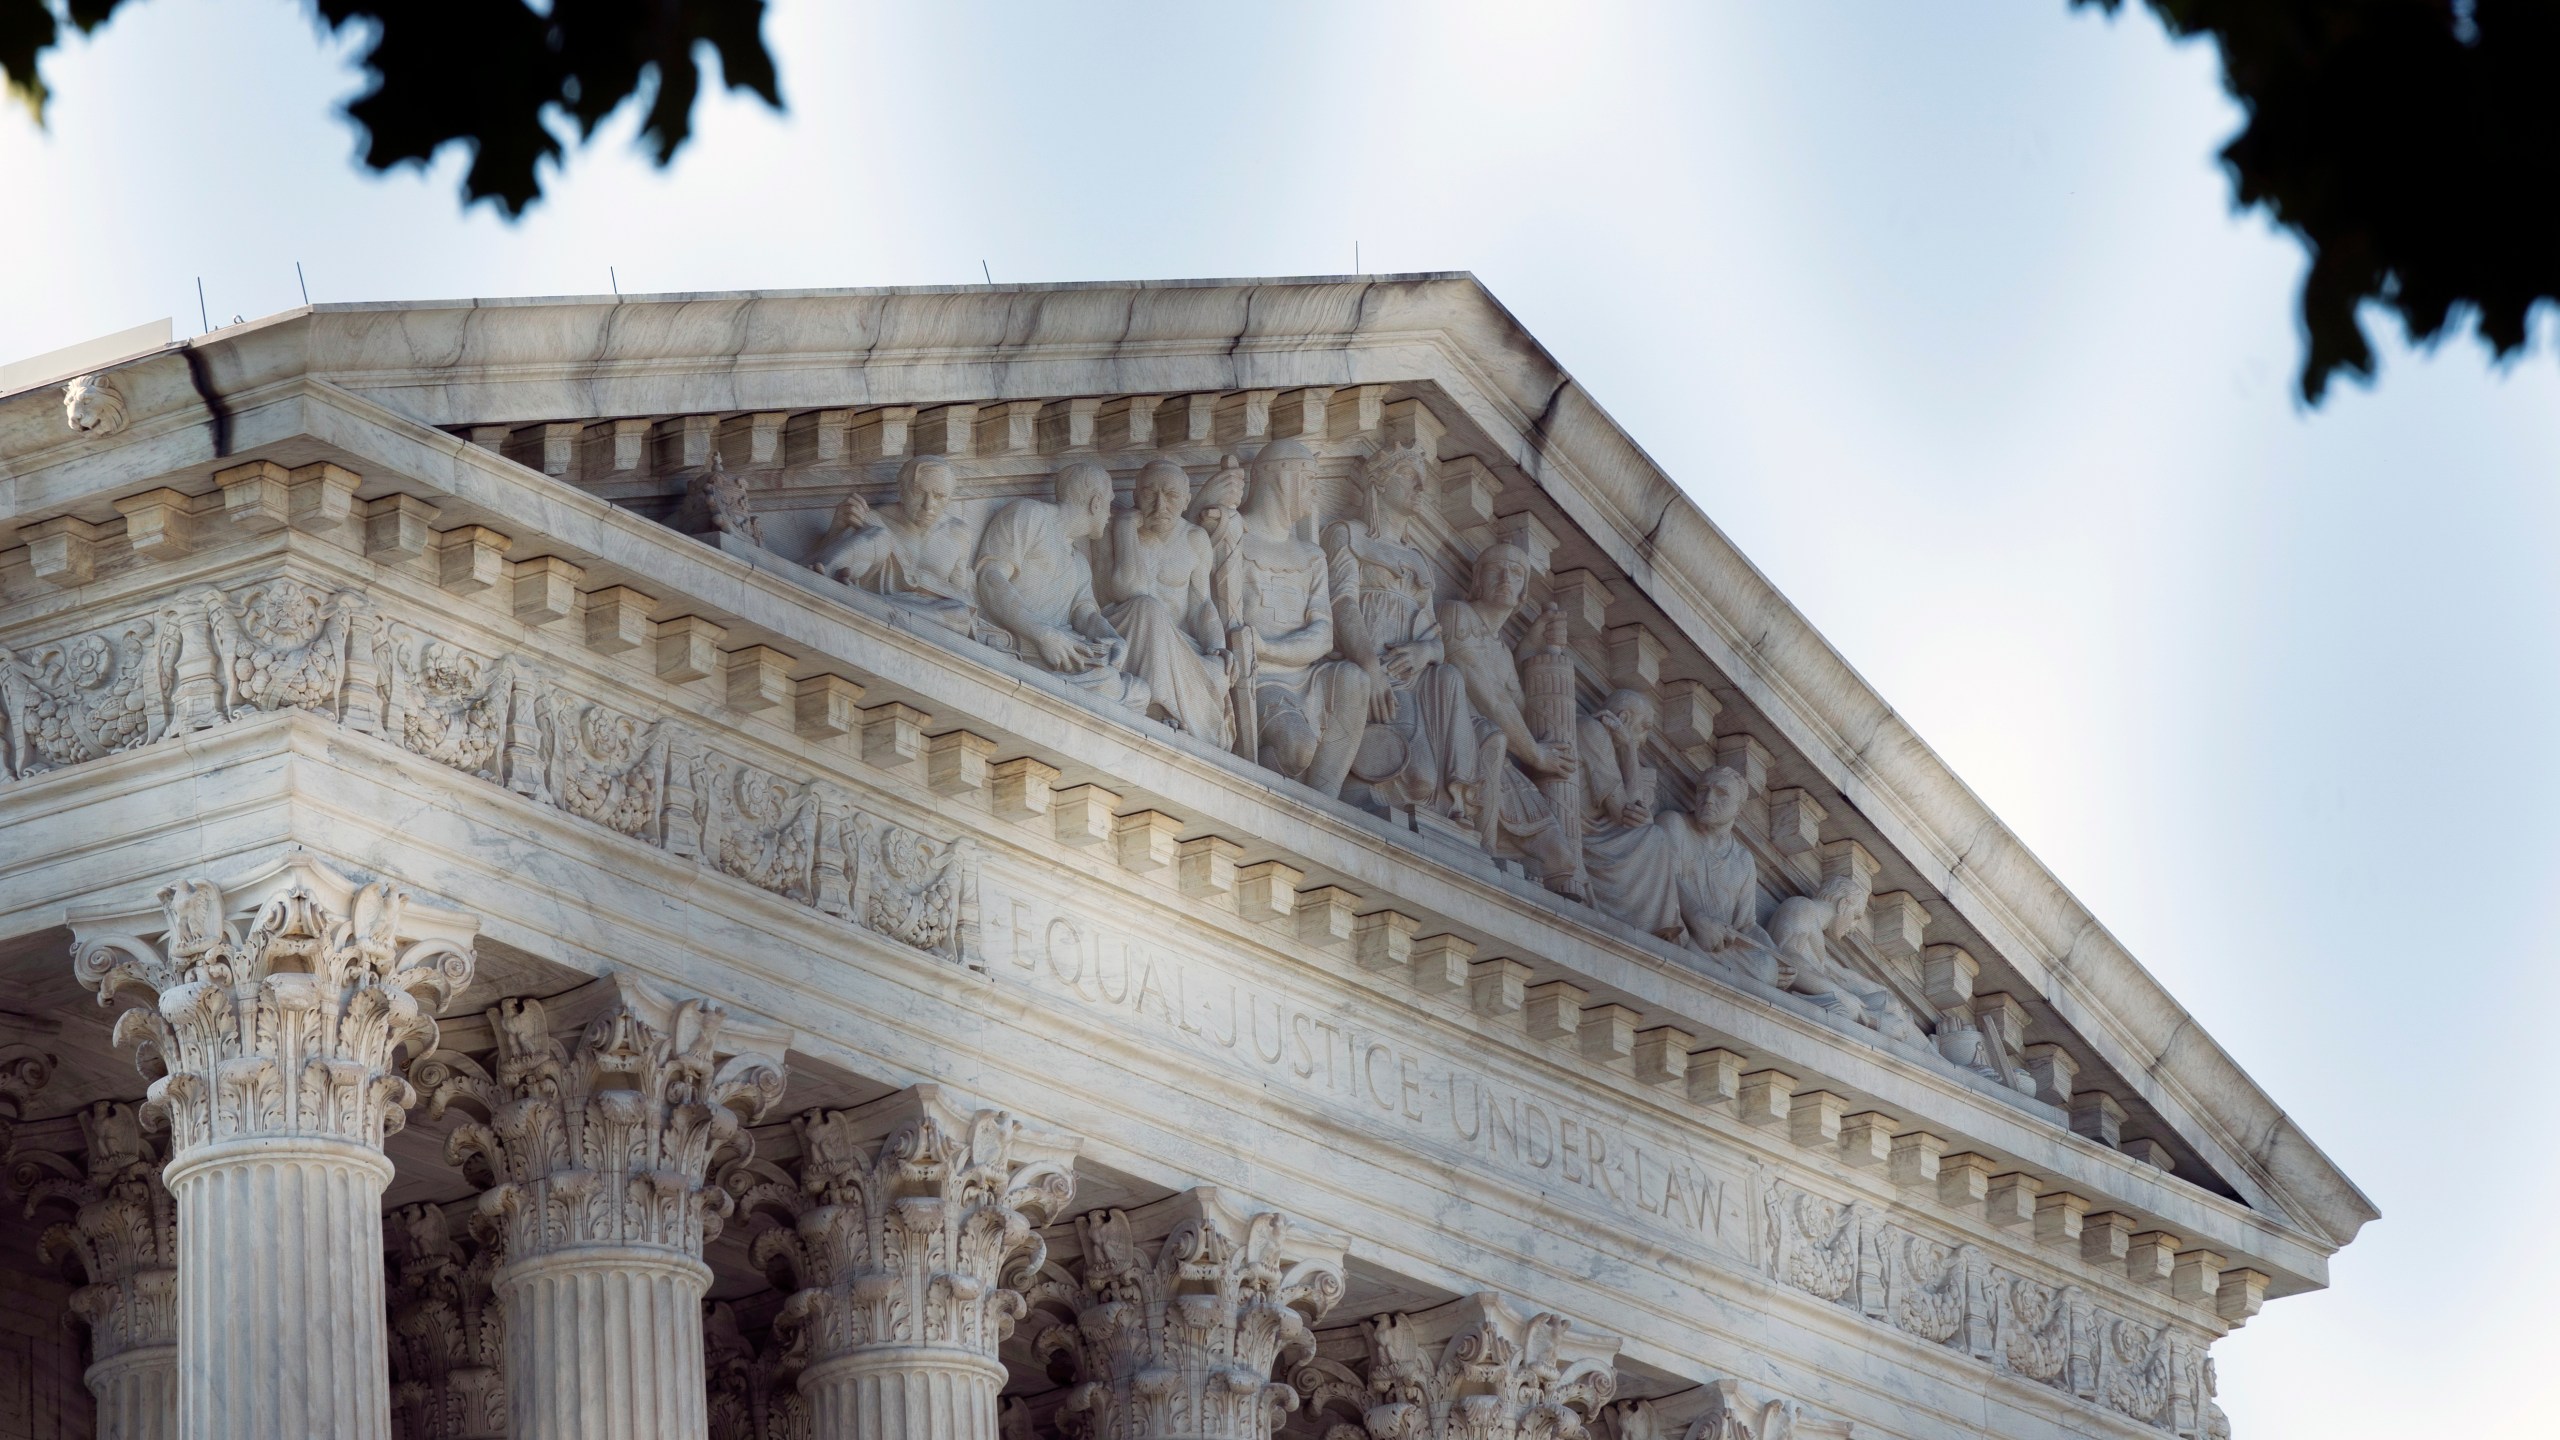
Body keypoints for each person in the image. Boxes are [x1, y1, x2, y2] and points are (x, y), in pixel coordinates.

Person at [1324, 441, 1477, 817]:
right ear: (1379, 482)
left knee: (1422, 780)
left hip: (1406, 680)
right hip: (1364, 667)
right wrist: (1369, 669)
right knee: (1396, 773)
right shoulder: (1348, 534)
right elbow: (1341, 603)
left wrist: (1426, 652)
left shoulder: (1418, 560)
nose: (1421, 489)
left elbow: (1436, 641)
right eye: (1409, 477)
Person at [1436, 542, 1583, 896]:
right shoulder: (1456, 614)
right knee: (1493, 738)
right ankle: (1482, 859)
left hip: (1497, 757)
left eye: (1516, 572)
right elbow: (1483, 690)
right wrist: (1535, 754)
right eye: (1495, 568)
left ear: (1523, 593)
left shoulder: (1502, 652)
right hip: (1457, 743)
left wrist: (1534, 648)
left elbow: (1517, 706)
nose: (1505, 577)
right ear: (1477, 581)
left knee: (1561, 858)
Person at [1232, 438, 1372, 793]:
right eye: (1308, 481)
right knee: (1296, 749)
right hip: (1261, 679)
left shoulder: (1312, 556)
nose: (1314, 494)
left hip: (1304, 676)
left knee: (1354, 680)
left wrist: (1267, 647)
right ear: (1283, 479)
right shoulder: (1233, 538)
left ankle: (1325, 803)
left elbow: (1324, 634)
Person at [974, 460, 1148, 714]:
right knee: (1112, 687)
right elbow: (991, 579)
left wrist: (1113, 638)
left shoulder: (1078, 563)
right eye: (1109, 503)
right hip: (1019, 642)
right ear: (1096, 502)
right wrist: (1043, 635)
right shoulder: (1029, 514)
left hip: (1064, 653)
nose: (1110, 514)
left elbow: (1085, 614)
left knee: (1140, 693)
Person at [1097, 460, 1235, 745]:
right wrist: (1124, 527)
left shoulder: (1195, 539)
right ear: (1136, 497)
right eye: (1150, 494)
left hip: (1180, 645)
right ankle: (1156, 705)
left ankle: (1172, 706)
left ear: (1186, 501)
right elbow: (1127, 589)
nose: (1161, 505)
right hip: (1127, 630)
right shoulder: (1113, 528)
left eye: (1171, 496)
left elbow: (1200, 604)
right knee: (1147, 607)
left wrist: (1215, 646)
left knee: (1218, 674)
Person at [809, 454, 1005, 646]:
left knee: (961, 614)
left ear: (950, 497)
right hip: (877, 581)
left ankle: (869, 602)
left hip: (917, 609)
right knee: (879, 536)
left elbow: (961, 594)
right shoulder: (874, 519)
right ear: (901, 491)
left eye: (939, 496)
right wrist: (837, 529)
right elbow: (847, 550)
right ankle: (825, 574)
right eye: (919, 492)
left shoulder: (959, 534)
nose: (929, 506)